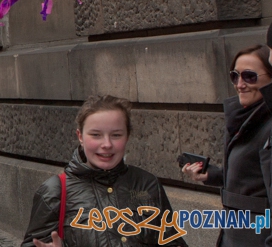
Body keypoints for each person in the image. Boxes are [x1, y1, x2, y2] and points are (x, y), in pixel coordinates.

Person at [23, 95, 186, 247]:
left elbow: (172, 241)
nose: (107, 144)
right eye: (96, 135)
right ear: (80, 136)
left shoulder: (147, 184)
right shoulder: (55, 191)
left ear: (127, 136)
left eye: (116, 135)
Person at [182, 44, 272, 247]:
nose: (240, 84)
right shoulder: (243, 118)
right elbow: (251, 178)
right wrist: (210, 175)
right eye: (234, 76)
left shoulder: (267, 124)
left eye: (250, 76)